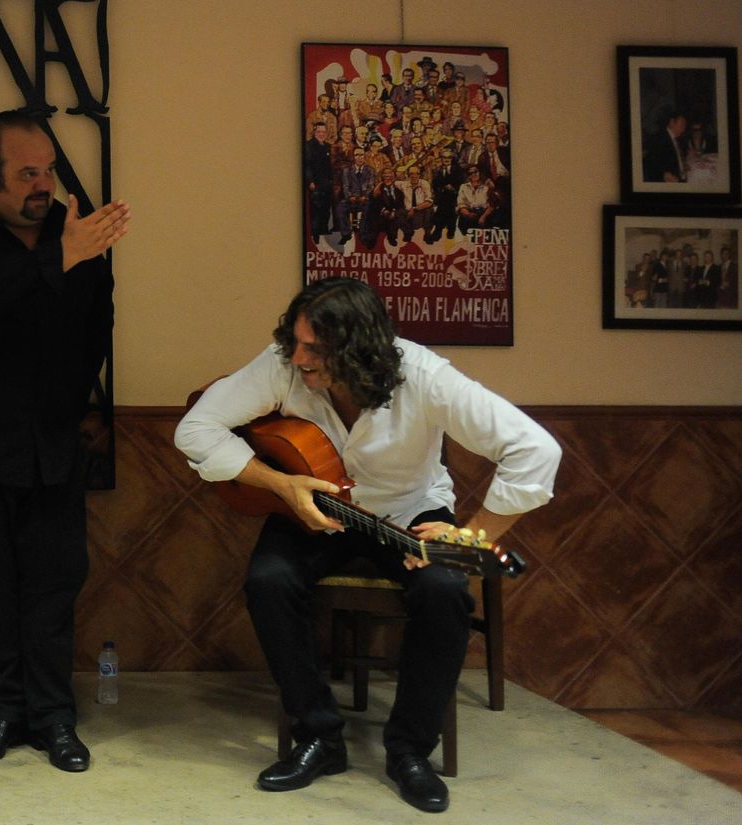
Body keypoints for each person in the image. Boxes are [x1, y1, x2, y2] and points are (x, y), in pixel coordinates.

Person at [175, 278, 560, 814]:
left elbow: (535, 449)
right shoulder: (283, 362)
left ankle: (409, 753)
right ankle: (319, 738)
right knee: (268, 581)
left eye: (316, 348)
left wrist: (472, 536)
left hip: (408, 508)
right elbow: (196, 428)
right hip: (314, 505)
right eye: (296, 341)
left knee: (445, 591)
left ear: (360, 347)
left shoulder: (423, 376)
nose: (299, 357)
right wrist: (281, 484)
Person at [0, 112, 127, 773]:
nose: (43, 184)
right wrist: (58, 255)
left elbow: (99, 320)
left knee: (55, 579)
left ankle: (54, 716)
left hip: (51, 438)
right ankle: (4, 709)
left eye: (49, 170)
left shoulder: (77, 232)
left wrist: (73, 402)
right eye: (27, 172)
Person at [643, 111, 688, 184]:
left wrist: (683, 164)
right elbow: (650, 162)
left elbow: (678, 155)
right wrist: (663, 174)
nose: (683, 129)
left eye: (684, 126)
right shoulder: (659, 138)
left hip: (680, 176)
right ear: (672, 122)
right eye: (682, 125)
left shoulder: (677, 138)